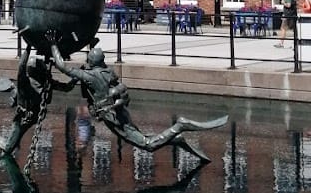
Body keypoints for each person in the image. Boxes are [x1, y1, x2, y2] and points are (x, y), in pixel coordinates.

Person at [50, 44, 226, 162]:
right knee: (145, 139)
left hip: (113, 117)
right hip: (120, 113)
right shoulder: (107, 72)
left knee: (147, 145)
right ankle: (177, 140)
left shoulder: (89, 77)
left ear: (90, 61)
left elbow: (62, 66)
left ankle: (180, 126)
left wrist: (53, 45)